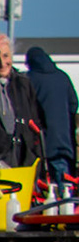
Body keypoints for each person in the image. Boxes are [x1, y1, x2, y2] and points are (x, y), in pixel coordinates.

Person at [0, 34, 45, 170]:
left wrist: (35, 154)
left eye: (6, 56)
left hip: (21, 157)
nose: (2, 63)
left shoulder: (22, 83)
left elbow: (35, 120)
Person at [25, 47, 78, 190]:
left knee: (41, 188)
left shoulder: (29, 79)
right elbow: (74, 104)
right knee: (65, 185)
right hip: (64, 142)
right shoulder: (62, 77)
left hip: (39, 143)